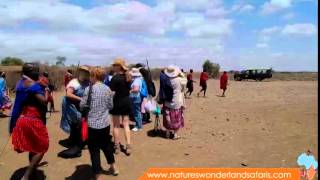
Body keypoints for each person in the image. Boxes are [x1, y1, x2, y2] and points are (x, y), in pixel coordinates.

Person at [11, 63, 49, 180]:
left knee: (34, 146)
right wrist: (47, 89)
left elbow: (18, 105)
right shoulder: (33, 86)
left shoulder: (20, 83)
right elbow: (44, 101)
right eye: (36, 70)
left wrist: (13, 124)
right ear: (31, 72)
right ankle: (26, 176)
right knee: (42, 146)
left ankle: (32, 173)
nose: (38, 72)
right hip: (33, 121)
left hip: (23, 119)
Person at [80, 67, 119, 179]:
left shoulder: (89, 89)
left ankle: (97, 175)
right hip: (105, 124)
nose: (89, 78)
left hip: (92, 124)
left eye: (91, 76)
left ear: (94, 77)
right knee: (106, 146)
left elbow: (82, 105)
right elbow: (111, 106)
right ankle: (114, 167)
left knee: (94, 150)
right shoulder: (108, 89)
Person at [58, 66, 90, 158]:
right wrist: (82, 99)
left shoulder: (87, 83)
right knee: (77, 123)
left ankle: (80, 141)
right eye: (83, 72)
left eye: (87, 72)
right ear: (79, 72)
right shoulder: (74, 82)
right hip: (72, 106)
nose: (85, 74)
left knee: (84, 123)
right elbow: (68, 94)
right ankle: (75, 143)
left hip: (83, 106)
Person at [109, 58, 132, 155]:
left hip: (117, 103)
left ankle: (117, 146)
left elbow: (112, 93)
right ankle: (128, 145)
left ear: (119, 66)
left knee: (116, 126)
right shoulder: (128, 77)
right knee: (126, 124)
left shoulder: (115, 78)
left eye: (114, 65)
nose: (113, 67)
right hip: (126, 102)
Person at [162, 65, 186, 140]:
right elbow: (184, 86)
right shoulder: (180, 80)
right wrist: (181, 73)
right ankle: (175, 134)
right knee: (176, 119)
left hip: (167, 102)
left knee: (168, 118)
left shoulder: (165, 79)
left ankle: (167, 133)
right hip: (177, 103)